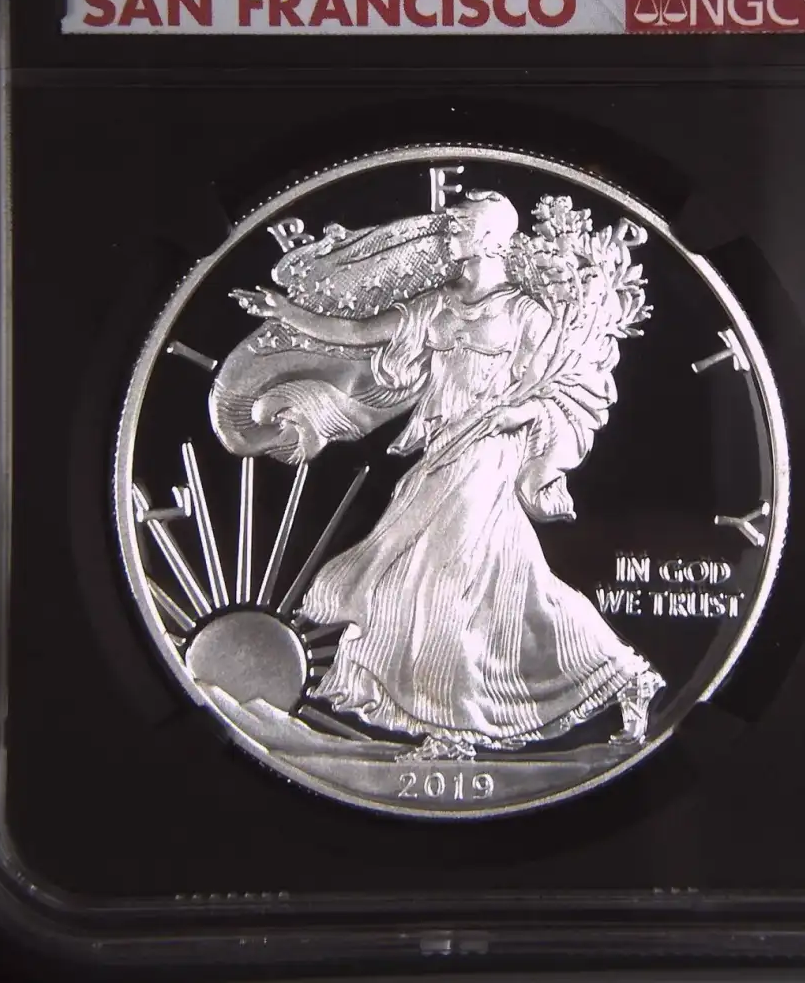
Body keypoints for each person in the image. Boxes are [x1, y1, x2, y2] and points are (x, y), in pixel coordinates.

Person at [231, 191, 663, 760]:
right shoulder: (436, 305)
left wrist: (518, 414)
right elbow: (359, 333)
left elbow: (562, 389)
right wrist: (287, 313)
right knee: (516, 588)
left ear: (490, 238)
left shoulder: (527, 314)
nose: (447, 233)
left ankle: (455, 729)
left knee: (440, 580)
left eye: (459, 225)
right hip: (441, 453)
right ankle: (624, 675)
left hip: (488, 456)